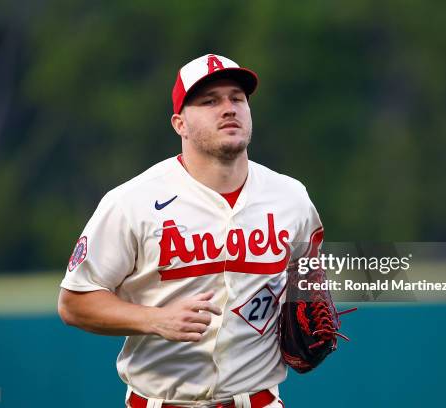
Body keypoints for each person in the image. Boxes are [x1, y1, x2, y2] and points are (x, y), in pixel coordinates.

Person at [58, 54, 324, 408]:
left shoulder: (291, 198)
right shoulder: (131, 202)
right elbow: (74, 303)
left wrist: (308, 304)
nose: (228, 108)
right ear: (179, 123)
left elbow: (309, 281)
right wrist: (154, 319)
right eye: (210, 101)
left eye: (237, 98)